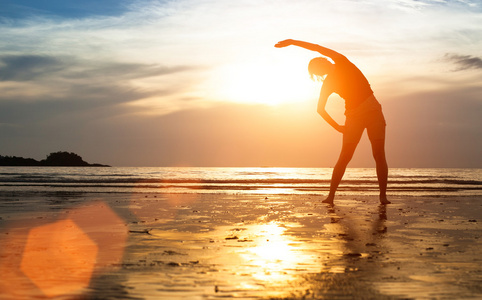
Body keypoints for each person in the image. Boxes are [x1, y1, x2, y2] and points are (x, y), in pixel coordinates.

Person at [275, 39, 390, 205]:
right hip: (353, 117)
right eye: (319, 71)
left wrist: (293, 42)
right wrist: (338, 127)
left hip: (373, 112)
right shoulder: (328, 83)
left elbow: (316, 48)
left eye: (321, 66)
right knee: (345, 157)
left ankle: (383, 197)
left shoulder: (342, 61)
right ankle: (330, 196)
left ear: (325, 61)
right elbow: (320, 109)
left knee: (378, 154)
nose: (322, 71)